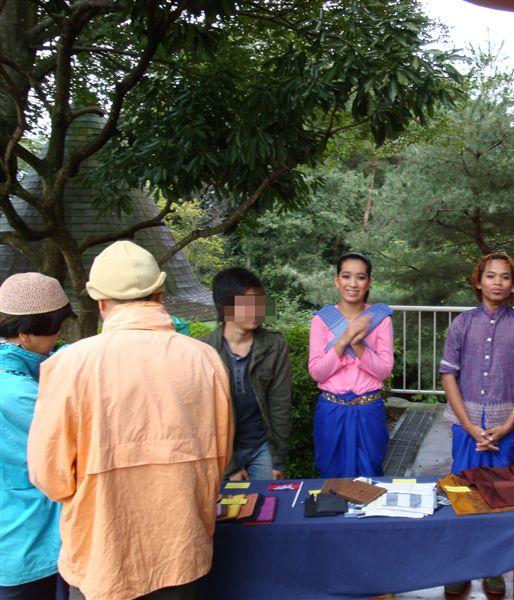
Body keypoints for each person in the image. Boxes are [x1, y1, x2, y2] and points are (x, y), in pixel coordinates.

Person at [28, 241, 233, 600]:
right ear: (160, 294)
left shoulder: (69, 365)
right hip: (180, 551)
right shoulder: (204, 359)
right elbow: (220, 459)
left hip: (102, 557)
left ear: (100, 302)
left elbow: (51, 478)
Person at [439, 252, 514, 598]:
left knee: (501, 496)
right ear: (478, 282)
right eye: (491, 276)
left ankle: (495, 569)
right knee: (462, 494)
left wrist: (509, 423)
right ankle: (460, 566)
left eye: (505, 277)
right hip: (465, 428)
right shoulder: (462, 323)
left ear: (513, 285)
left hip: (503, 431)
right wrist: (468, 425)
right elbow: (448, 375)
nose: (497, 282)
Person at [0, 273, 74, 600]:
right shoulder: (18, 395)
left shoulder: (18, 376)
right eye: (56, 330)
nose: (59, 336)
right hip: (25, 538)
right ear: (25, 333)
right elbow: (66, 456)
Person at [308, 252, 394, 478]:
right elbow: (317, 373)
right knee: (330, 477)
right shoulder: (321, 320)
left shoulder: (380, 319)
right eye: (346, 276)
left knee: (370, 476)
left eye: (360, 277)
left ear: (369, 282)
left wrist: (357, 344)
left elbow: (384, 371)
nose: (353, 284)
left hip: (368, 409)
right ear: (336, 280)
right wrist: (345, 338)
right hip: (332, 409)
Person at [203, 267, 292, 481]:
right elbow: (203, 416)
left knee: (268, 500)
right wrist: (230, 466)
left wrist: (278, 460)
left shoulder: (274, 345)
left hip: (262, 447)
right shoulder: (204, 349)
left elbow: (280, 404)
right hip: (222, 452)